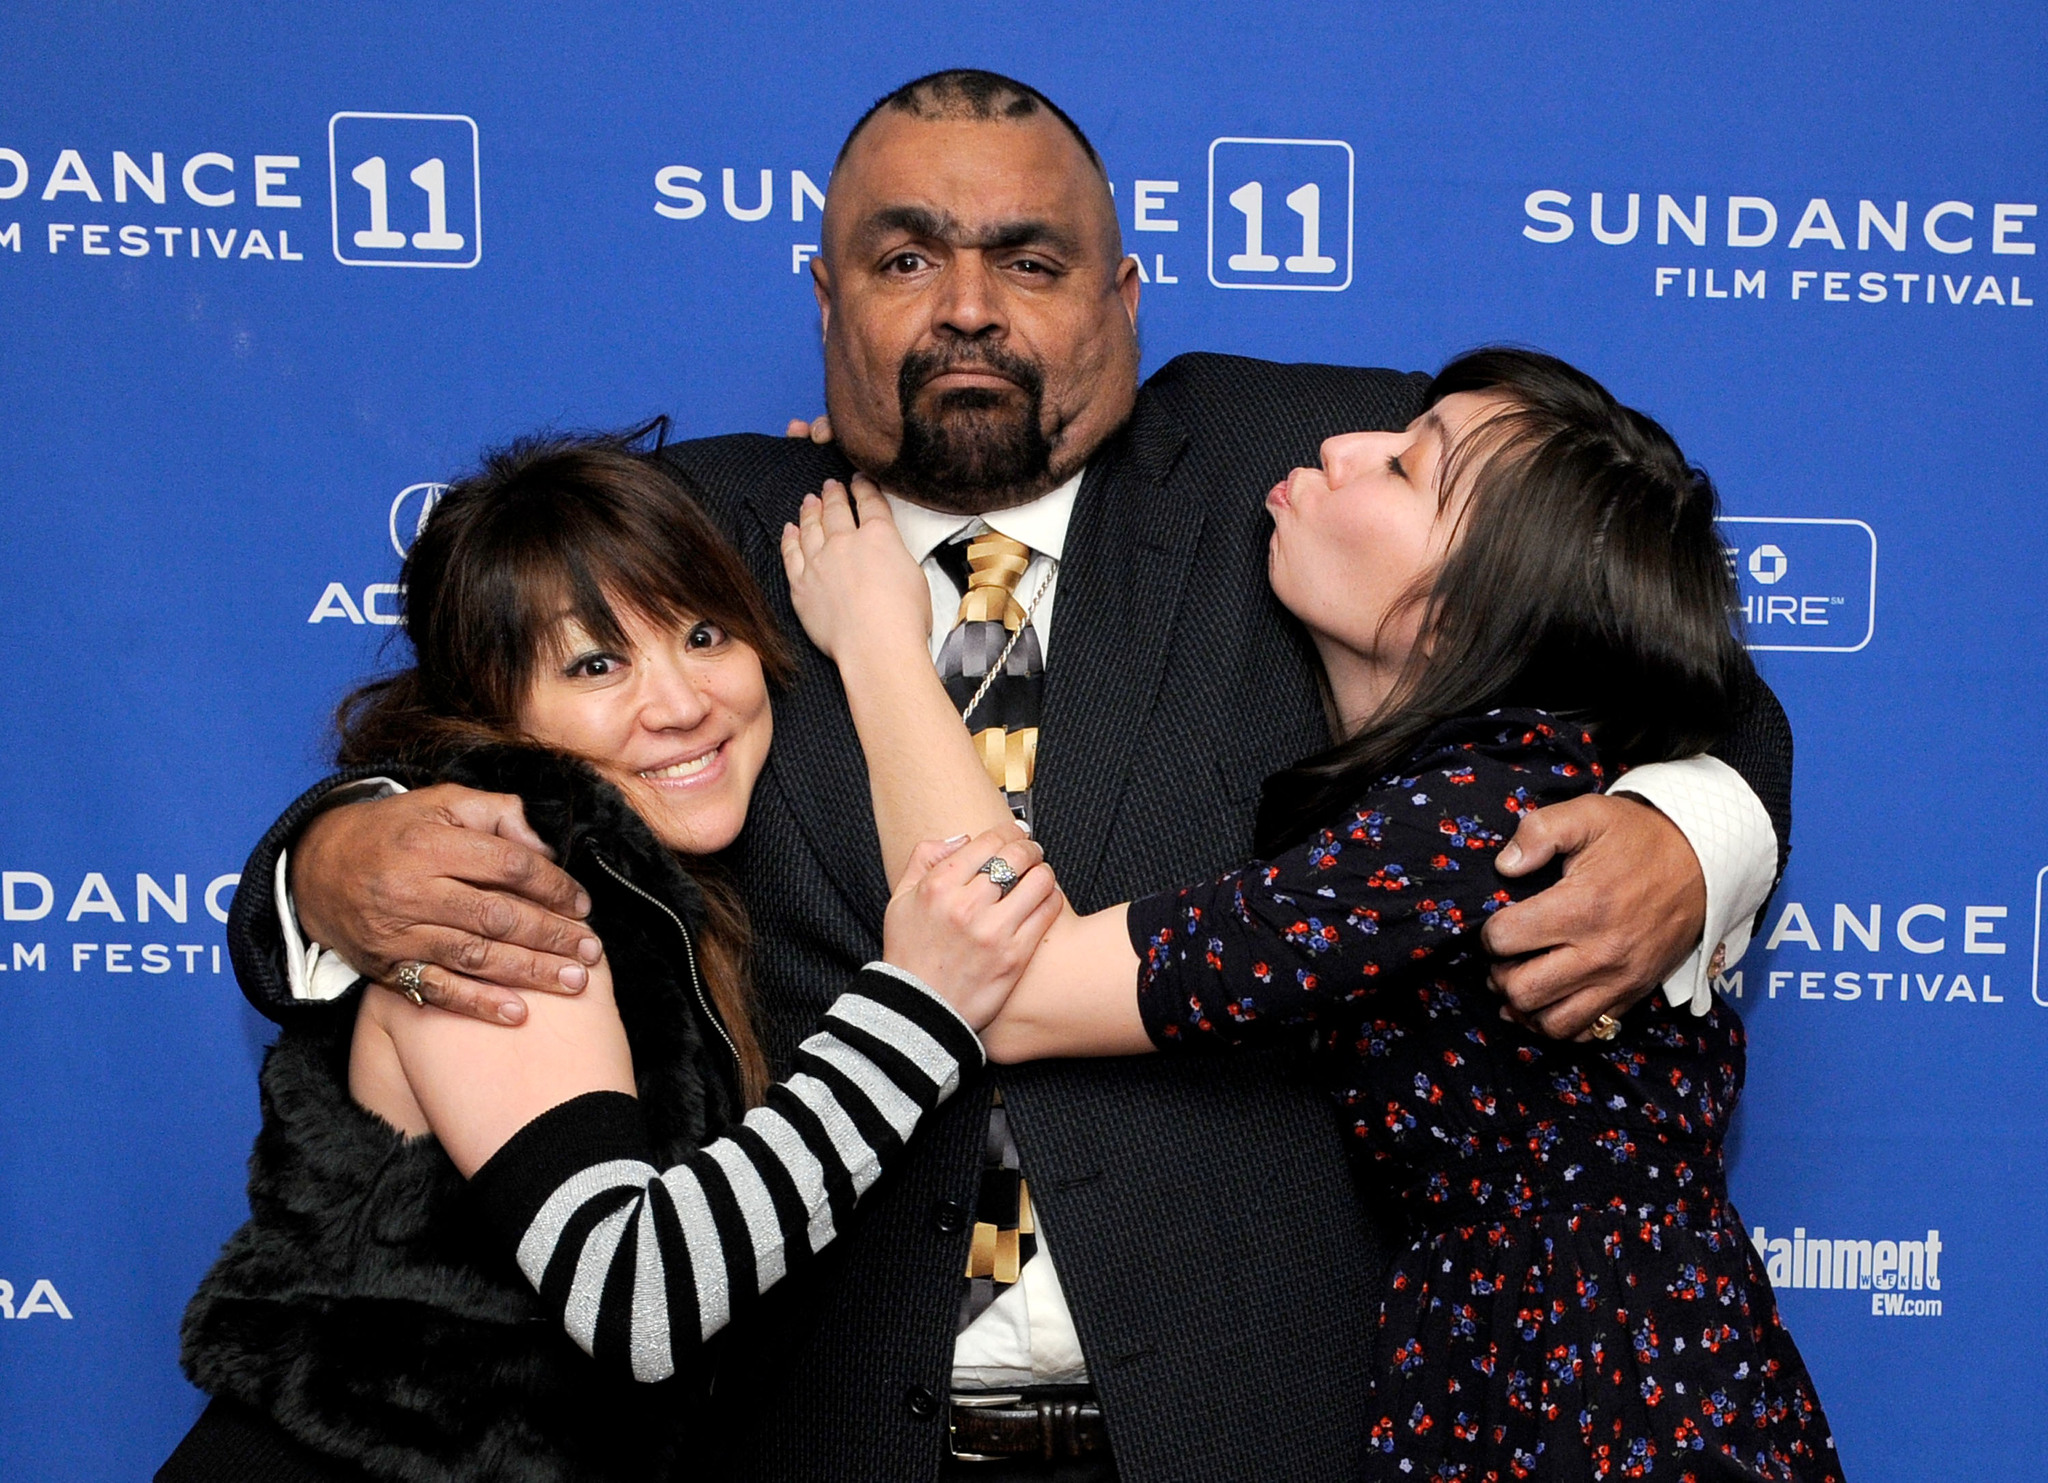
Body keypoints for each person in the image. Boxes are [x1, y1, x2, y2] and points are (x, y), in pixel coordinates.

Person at [225, 72, 1792, 1481]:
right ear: (825, 299)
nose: (967, 308)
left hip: (1268, 1420)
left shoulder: (1311, 468)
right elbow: (457, 738)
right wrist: (330, 869)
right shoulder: (690, 541)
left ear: (1122, 294)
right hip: (811, 1420)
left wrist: (1695, 823)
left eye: (1030, 261)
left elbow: (1647, 635)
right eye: (905, 260)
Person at [782, 348, 1841, 1482]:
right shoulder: (1452, 793)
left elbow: (1004, 984)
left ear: (1468, 609)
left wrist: (880, 632)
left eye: (1401, 469)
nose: (1335, 448)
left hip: (1593, 1403)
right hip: (1514, 1370)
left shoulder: (1473, 822)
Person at [160, 435, 1056, 1482]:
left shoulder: (663, 889)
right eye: (595, 663)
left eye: (703, 632)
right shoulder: (500, 883)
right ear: (495, 707)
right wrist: (919, 1003)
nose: (679, 702)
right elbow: (635, 1291)